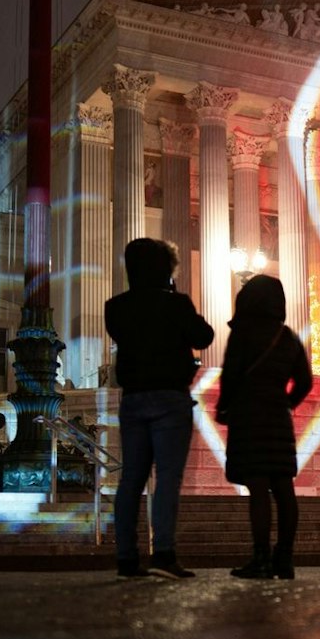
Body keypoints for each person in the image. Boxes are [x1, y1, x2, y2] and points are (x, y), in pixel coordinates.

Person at [106, 238, 213, 578]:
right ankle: (163, 555)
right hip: (169, 397)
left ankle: (126, 558)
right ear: (166, 270)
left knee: (130, 481)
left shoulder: (116, 307)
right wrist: (175, 295)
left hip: (133, 398)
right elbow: (204, 336)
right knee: (167, 478)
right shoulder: (176, 304)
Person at [216, 275, 314, 580]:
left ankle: (260, 558)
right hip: (278, 419)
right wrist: (286, 402)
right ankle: (284, 558)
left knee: (258, 486)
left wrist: (224, 407)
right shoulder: (288, 337)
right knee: (284, 488)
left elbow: (230, 375)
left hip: (248, 415)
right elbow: (306, 381)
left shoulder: (243, 333)